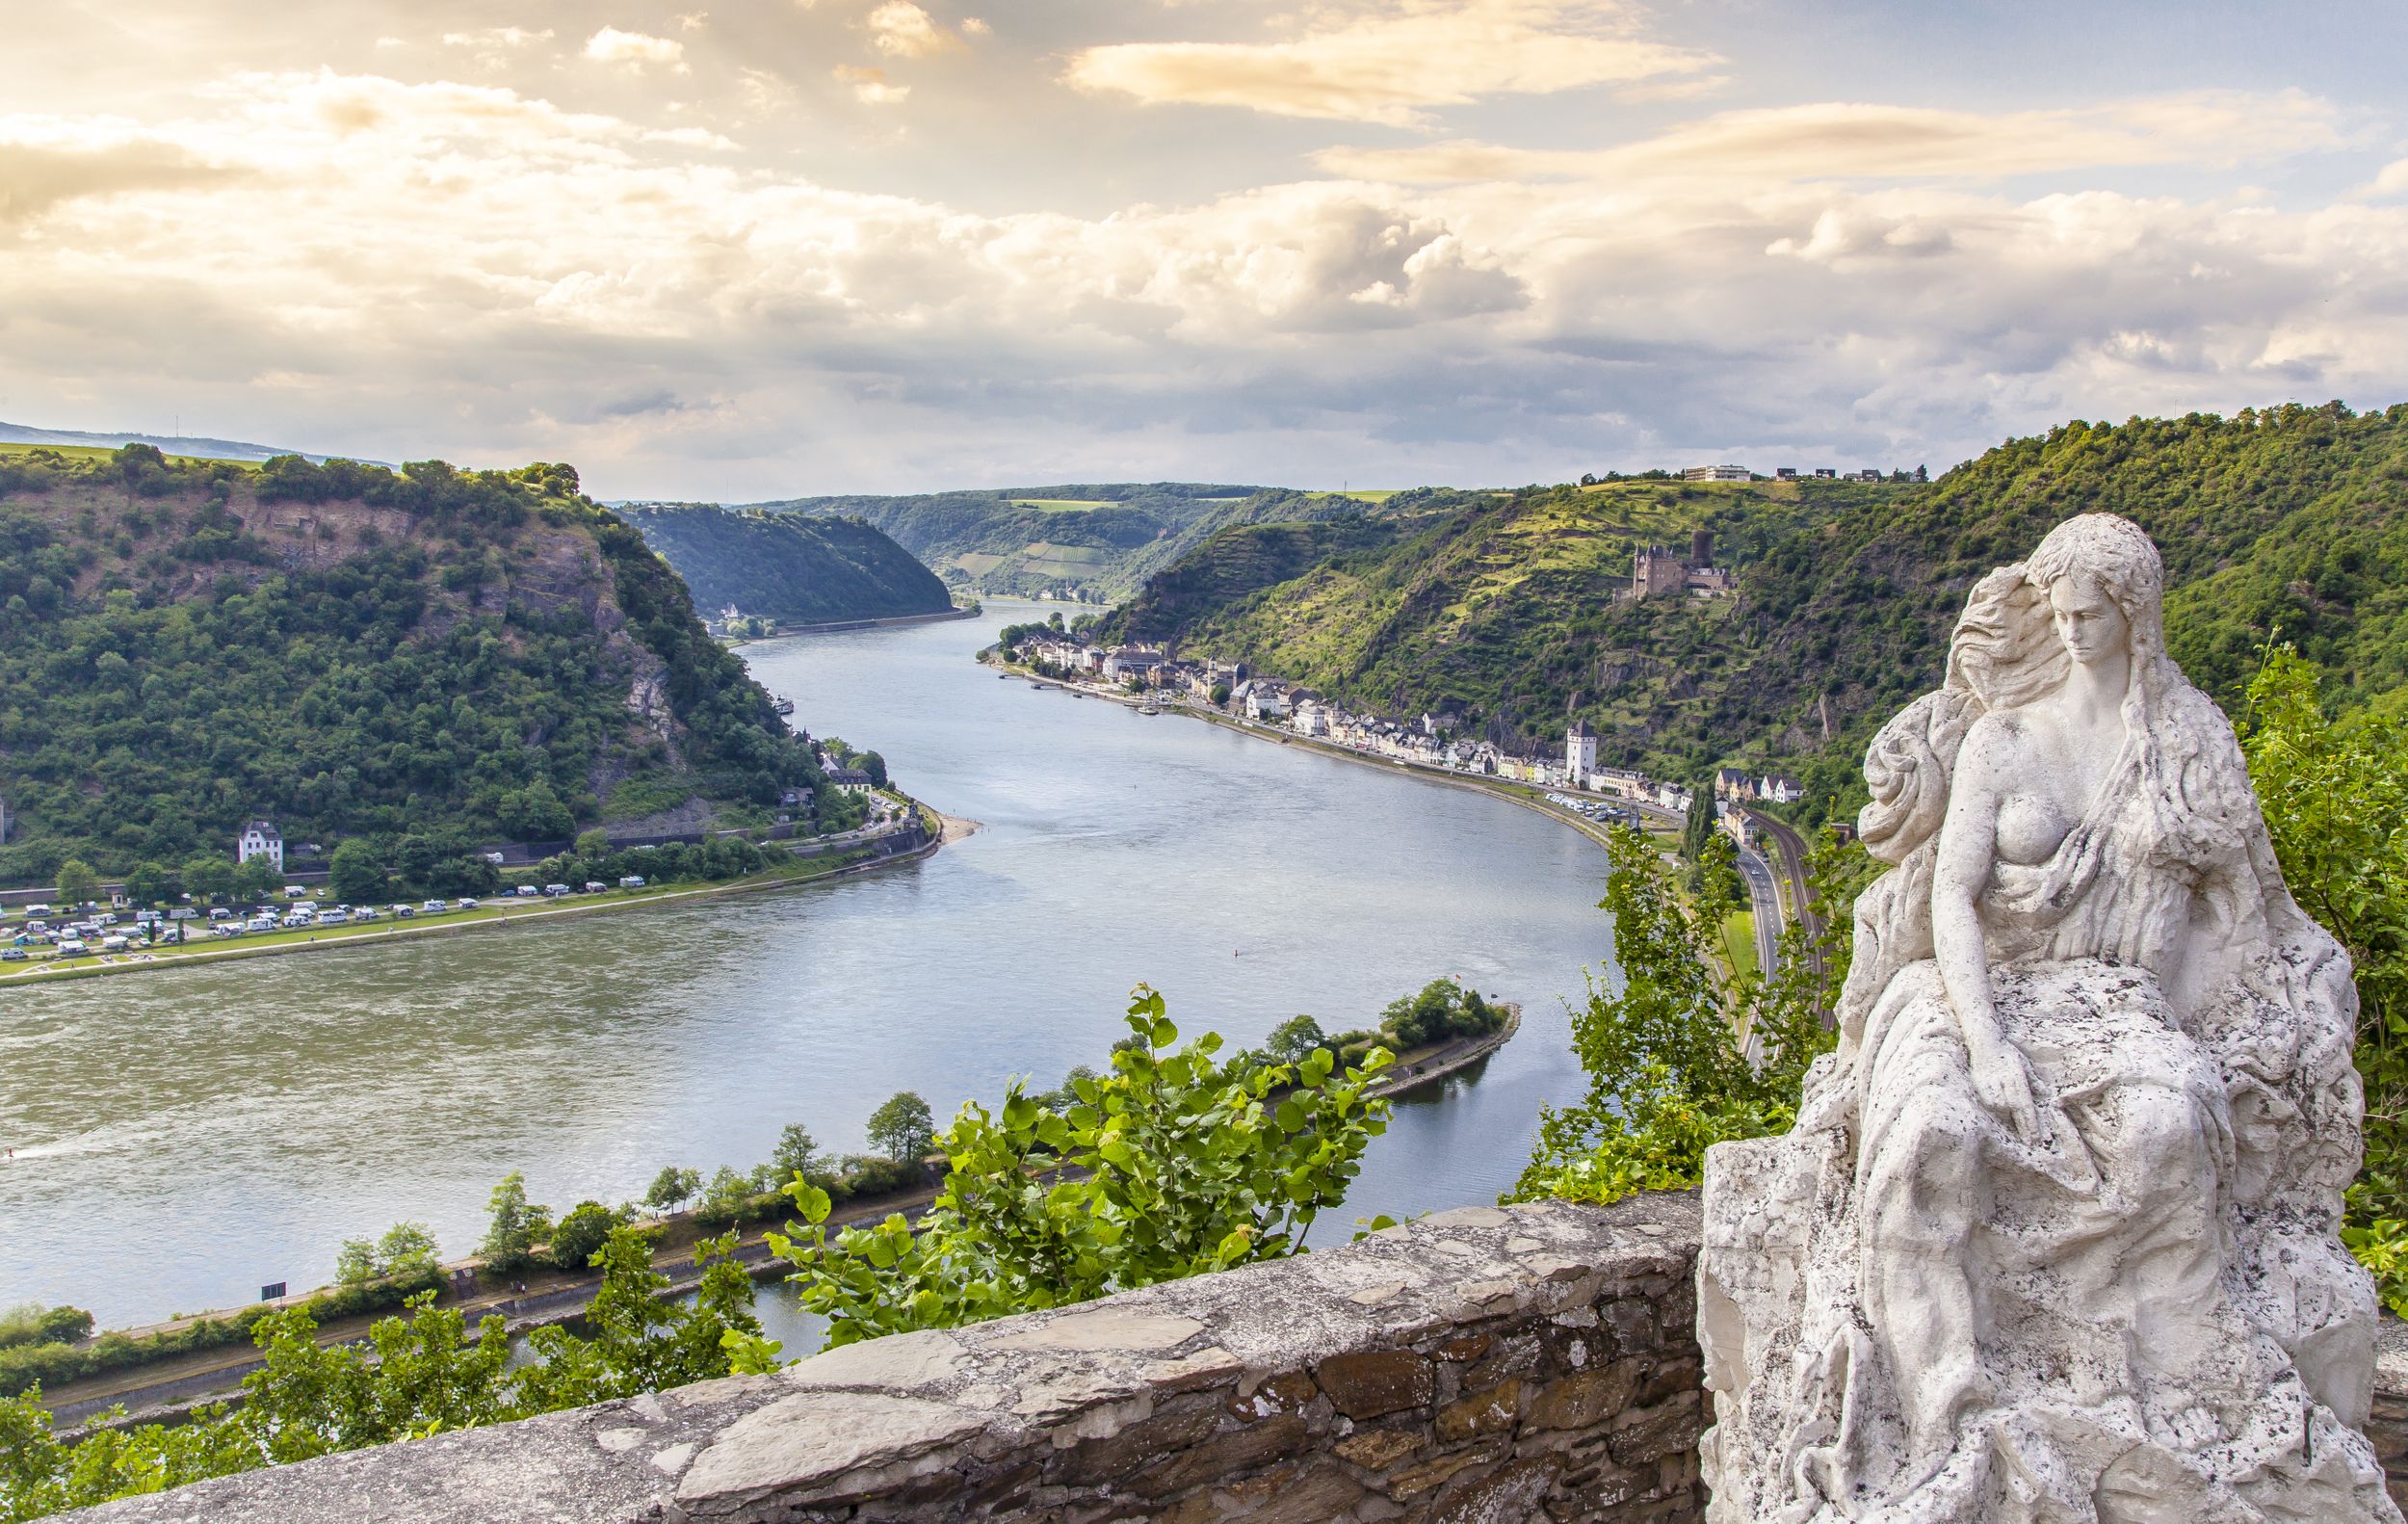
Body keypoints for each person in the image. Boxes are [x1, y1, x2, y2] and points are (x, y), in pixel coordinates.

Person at [1700, 514, 2395, 1522]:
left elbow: (2248, 907)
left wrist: (2256, 1018)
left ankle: (2144, 1388)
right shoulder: (2004, 737)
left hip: (2117, 1005)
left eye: (2090, 615)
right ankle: (1944, 1415)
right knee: (1930, 1135)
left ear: (2134, 614)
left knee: (2163, 1128)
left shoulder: (2186, 743)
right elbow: (1949, 900)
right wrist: (1985, 1045)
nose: (2068, 633)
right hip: (1970, 993)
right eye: (2056, 613)